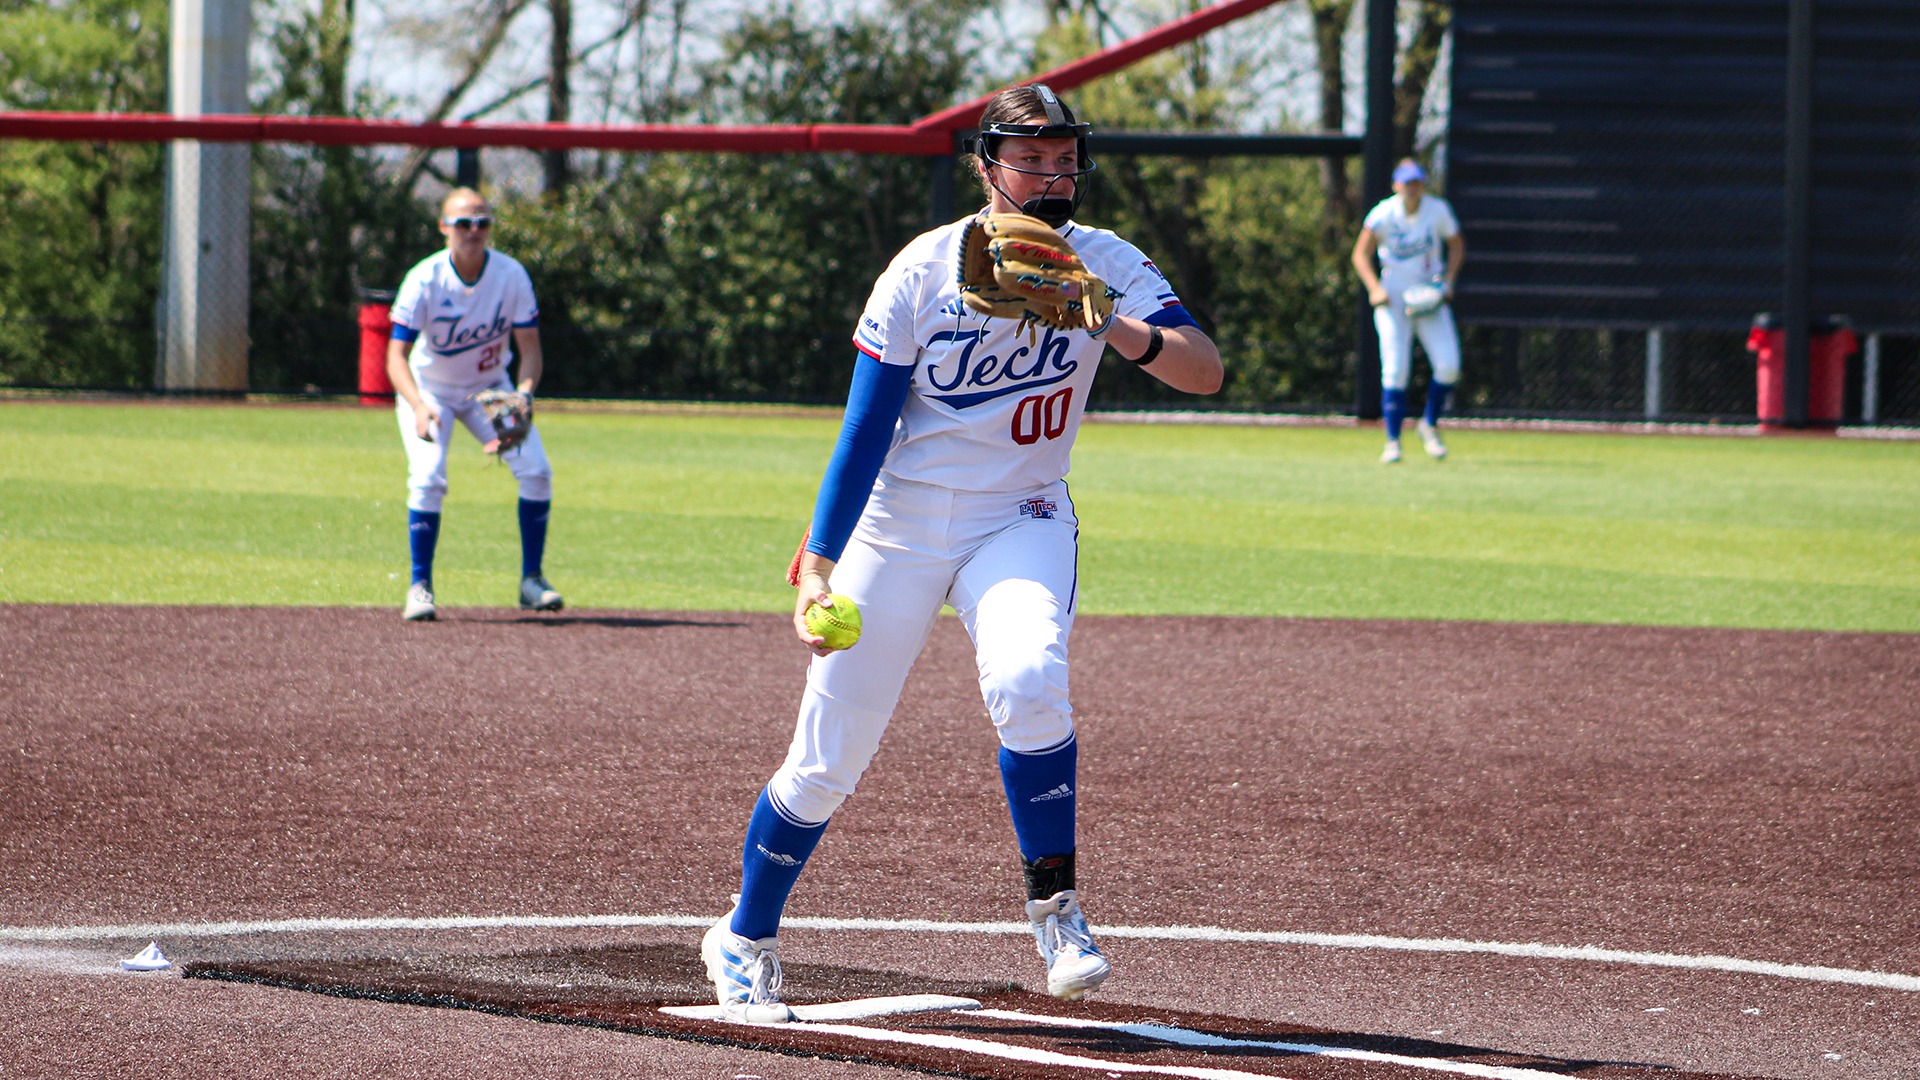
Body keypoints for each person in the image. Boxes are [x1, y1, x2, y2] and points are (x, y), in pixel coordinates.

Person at [699, 84, 1224, 1023]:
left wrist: (1103, 315)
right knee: (829, 755)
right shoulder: (923, 268)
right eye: (1033, 158)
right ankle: (744, 934)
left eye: (1066, 158)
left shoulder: (1107, 263)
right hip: (898, 522)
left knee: (1030, 678)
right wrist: (817, 563)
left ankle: (1056, 908)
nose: (1055, 174)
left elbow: (1204, 369)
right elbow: (864, 430)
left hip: (1019, 514)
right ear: (989, 167)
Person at [386, 187, 562, 621]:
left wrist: (522, 396)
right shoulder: (424, 279)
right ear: (444, 227)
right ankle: (420, 586)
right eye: (464, 223)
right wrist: (418, 405)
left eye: (482, 222)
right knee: (427, 477)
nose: (474, 231)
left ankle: (532, 581)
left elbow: (531, 350)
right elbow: (394, 358)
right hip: (431, 390)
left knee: (537, 471)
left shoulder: (511, 275)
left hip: (491, 390)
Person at [1351, 158, 1465, 463]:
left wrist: (1449, 282)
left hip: (1428, 294)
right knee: (1396, 368)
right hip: (1395, 297)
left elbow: (1456, 244)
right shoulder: (1384, 213)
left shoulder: (1437, 210)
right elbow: (1360, 254)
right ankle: (1392, 441)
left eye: (1417, 182)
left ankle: (1429, 424)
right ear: (1396, 185)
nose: (1413, 188)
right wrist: (1375, 288)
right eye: (1407, 182)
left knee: (1449, 365)